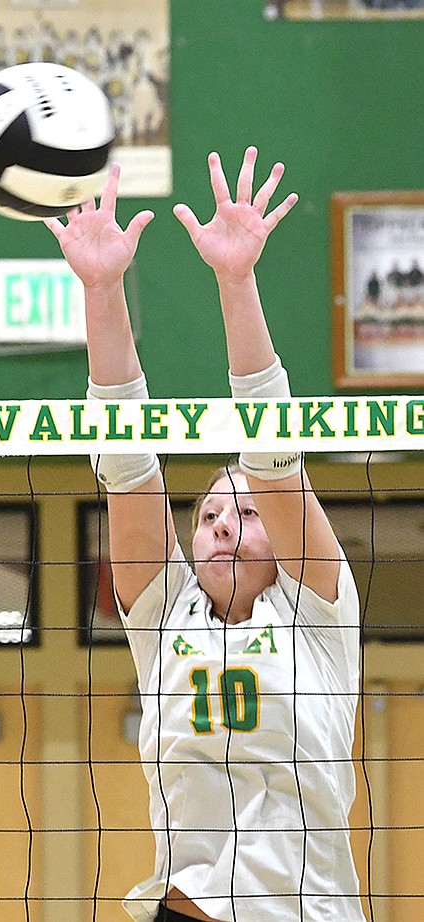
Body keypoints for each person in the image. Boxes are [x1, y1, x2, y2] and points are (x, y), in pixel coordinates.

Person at [46, 149, 365, 922]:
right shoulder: (165, 618)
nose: (223, 523)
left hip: (304, 909)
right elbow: (126, 464)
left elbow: (274, 453)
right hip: (187, 903)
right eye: (209, 517)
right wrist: (102, 289)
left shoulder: (315, 612)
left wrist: (235, 281)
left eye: (246, 513)